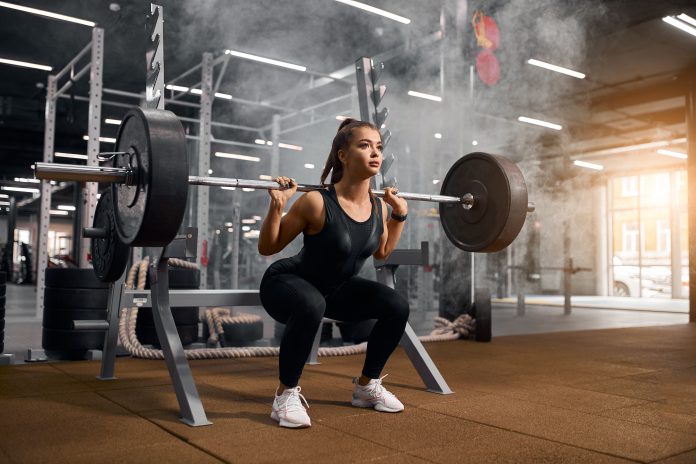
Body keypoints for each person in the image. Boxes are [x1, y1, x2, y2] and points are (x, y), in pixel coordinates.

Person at [258, 118, 410, 428]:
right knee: (312, 303)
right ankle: (284, 395)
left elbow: (382, 252)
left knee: (396, 306)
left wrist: (400, 215)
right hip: (287, 283)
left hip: (334, 291)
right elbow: (268, 247)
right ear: (342, 155)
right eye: (364, 145)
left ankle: (367, 387)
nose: (375, 153)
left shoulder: (379, 207)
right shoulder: (316, 202)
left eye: (378, 147)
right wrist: (277, 207)